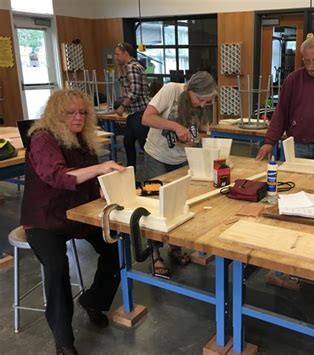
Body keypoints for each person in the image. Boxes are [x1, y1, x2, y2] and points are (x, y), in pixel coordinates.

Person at [21, 89, 125, 354]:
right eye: (71, 112)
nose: (78, 117)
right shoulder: (42, 138)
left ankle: (93, 300)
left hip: (78, 213)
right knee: (56, 270)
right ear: (57, 114)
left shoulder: (82, 138)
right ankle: (64, 341)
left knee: (115, 249)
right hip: (45, 219)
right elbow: (59, 177)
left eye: (83, 112)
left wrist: (103, 187)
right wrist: (101, 169)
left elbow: (88, 179)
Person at [141, 71, 217, 278]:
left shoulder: (201, 107)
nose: (202, 104)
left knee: (180, 203)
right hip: (156, 156)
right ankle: (155, 254)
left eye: (207, 101)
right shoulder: (171, 91)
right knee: (156, 205)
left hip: (180, 159)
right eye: (200, 99)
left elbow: (201, 133)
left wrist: (191, 139)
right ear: (190, 90)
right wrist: (175, 126)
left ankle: (175, 247)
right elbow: (146, 118)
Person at [115, 42, 150, 170]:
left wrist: (122, 106)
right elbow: (123, 82)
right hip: (133, 113)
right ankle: (131, 172)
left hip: (139, 113)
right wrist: (119, 67)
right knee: (128, 142)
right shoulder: (130, 67)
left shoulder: (132, 67)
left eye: (118, 54)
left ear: (126, 53)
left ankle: (150, 172)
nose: (116, 57)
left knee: (144, 145)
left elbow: (134, 91)